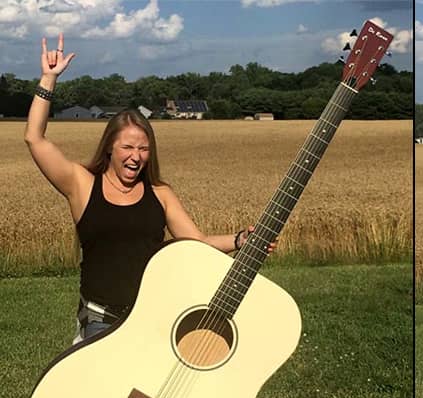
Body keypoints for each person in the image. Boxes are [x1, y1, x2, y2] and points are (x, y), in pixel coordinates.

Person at [24, 34, 272, 341]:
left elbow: (195, 242)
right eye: (127, 147)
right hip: (100, 321)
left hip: (154, 317)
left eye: (143, 148)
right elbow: (35, 138)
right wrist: (48, 79)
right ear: (110, 149)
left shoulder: (160, 193)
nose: (136, 156)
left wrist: (240, 240)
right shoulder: (82, 184)